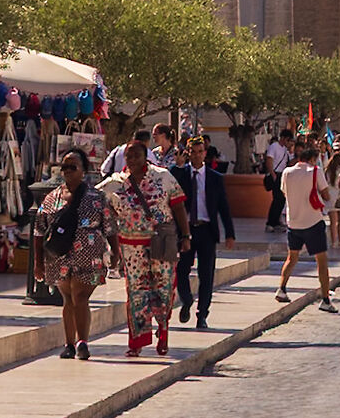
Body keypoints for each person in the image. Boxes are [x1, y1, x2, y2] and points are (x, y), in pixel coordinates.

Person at [103, 136, 188, 356]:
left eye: (136, 155)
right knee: (136, 292)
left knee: (163, 288)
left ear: (145, 156)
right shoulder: (115, 182)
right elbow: (100, 206)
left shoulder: (163, 177)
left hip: (161, 242)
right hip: (131, 247)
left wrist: (186, 235)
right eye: (128, 155)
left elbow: (178, 207)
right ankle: (137, 341)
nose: (131, 159)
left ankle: (163, 330)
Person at [36, 150, 111, 361]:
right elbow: (39, 230)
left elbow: (110, 227)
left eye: (73, 167)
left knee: (80, 296)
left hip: (88, 256)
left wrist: (115, 257)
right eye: (65, 167)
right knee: (68, 298)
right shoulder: (52, 198)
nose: (68, 171)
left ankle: (83, 342)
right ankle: (69, 344)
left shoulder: (96, 198)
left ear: (83, 170)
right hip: (59, 257)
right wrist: (38, 263)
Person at [172, 141, 235, 331]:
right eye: (193, 152)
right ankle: (187, 300)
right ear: (188, 153)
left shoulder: (215, 178)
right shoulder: (180, 175)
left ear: (205, 153)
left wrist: (230, 233)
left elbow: (223, 206)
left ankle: (202, 315)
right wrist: (178, 165)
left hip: (207, 230)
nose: (197, 155)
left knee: (206, 274)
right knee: (182, 270)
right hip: (186, 230)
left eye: (200, 152)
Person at [277, 139, 338, 313]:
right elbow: (326, 195)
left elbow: (284, 192)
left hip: (293, 222)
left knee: (292, 257)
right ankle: (325, 299)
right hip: (312, 221)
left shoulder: (287, 172)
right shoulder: (315, 171)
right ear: (312, 159)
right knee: (321, 261)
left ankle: (282, 289)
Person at [263, 128, 295, 230]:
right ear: (284, 138)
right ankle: (271, 222)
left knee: (281, 199)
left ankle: (276, 220)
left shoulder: (285, 150)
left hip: (282, 175)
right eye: (288, 140)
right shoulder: (274, 147)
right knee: (277, 199)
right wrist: (273, 174)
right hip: (276, 174)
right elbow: (269, 160)